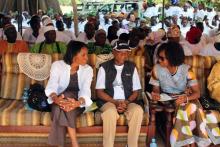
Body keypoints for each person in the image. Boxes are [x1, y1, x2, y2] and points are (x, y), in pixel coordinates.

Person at [149, 41, 211, 147]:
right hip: (167, 99)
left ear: (172, 58)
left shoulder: (186, 70)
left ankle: (183, 141)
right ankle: (190, 142)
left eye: (162, 58)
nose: (159, 60)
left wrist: (185, 98)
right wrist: (156, 94)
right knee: (188, 107)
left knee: (190, 106)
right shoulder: (157, 69)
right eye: (159, 57)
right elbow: (156, 89)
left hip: (186, 98)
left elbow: (197, 93)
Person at [45, 41, 93, 147]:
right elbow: (52, 84)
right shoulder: (57, 65)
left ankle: (64, 144)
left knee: (65, 100)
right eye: (83, 55)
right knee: (61, 104)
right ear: (73, 55)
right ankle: (74, 143)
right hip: (59, 100)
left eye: (87, 55)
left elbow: (85, 90)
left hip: (78, 102)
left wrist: (78, 102)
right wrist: (55, 98)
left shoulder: (88, 70)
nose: (86, 58)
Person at [96, 41, 144, 147]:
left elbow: (136, 91)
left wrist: (126, 102)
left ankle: (132, 145)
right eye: (120, 52)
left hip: (127, 100)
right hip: (109, 101)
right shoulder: (104, 67)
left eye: (126, 52)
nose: (124, 55)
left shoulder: (132, 67)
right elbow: (99, 92)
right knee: (110, 113)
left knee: (138, 111)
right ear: (113, 52)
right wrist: (116, 102)